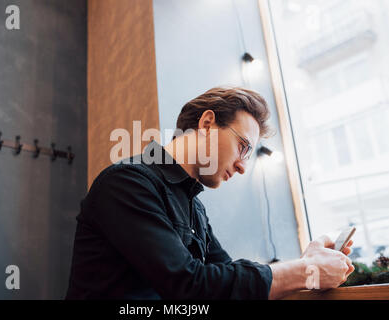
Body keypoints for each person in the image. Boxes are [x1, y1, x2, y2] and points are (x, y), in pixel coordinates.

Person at [65, 87, 354, 300]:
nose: (243, 166)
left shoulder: (194, 207)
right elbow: (190, 285)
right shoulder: (127, 182)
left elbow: (227, 280)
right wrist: (305, 271)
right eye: (244, 147)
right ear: (206, 124)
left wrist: (305, 262)